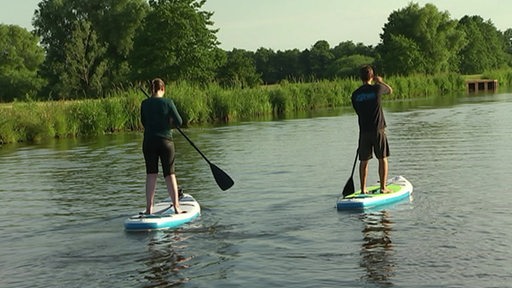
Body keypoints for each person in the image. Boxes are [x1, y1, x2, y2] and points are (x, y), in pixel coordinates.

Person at [141, 78, 184, 214]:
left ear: (151, 90)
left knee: (151, 174)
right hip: (166, 141)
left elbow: (144, 122)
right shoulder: (168, 102)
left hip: (149, 142)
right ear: (163, 89)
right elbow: (179, 121)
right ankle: (176, 206)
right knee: (169, 173)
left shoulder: (144, 104)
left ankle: (149, 209)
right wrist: (169, 121)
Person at [351, 65, 393, 194]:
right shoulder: (377, 88)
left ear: (361, 77)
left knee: (364, 161)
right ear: (372, 76)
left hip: (364, 132)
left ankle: (363, 189)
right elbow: (390, 90)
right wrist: (380, 81)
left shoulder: (355, 94)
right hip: (378, 129)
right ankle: (383, 188)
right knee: (383, 158)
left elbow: (358, 111)